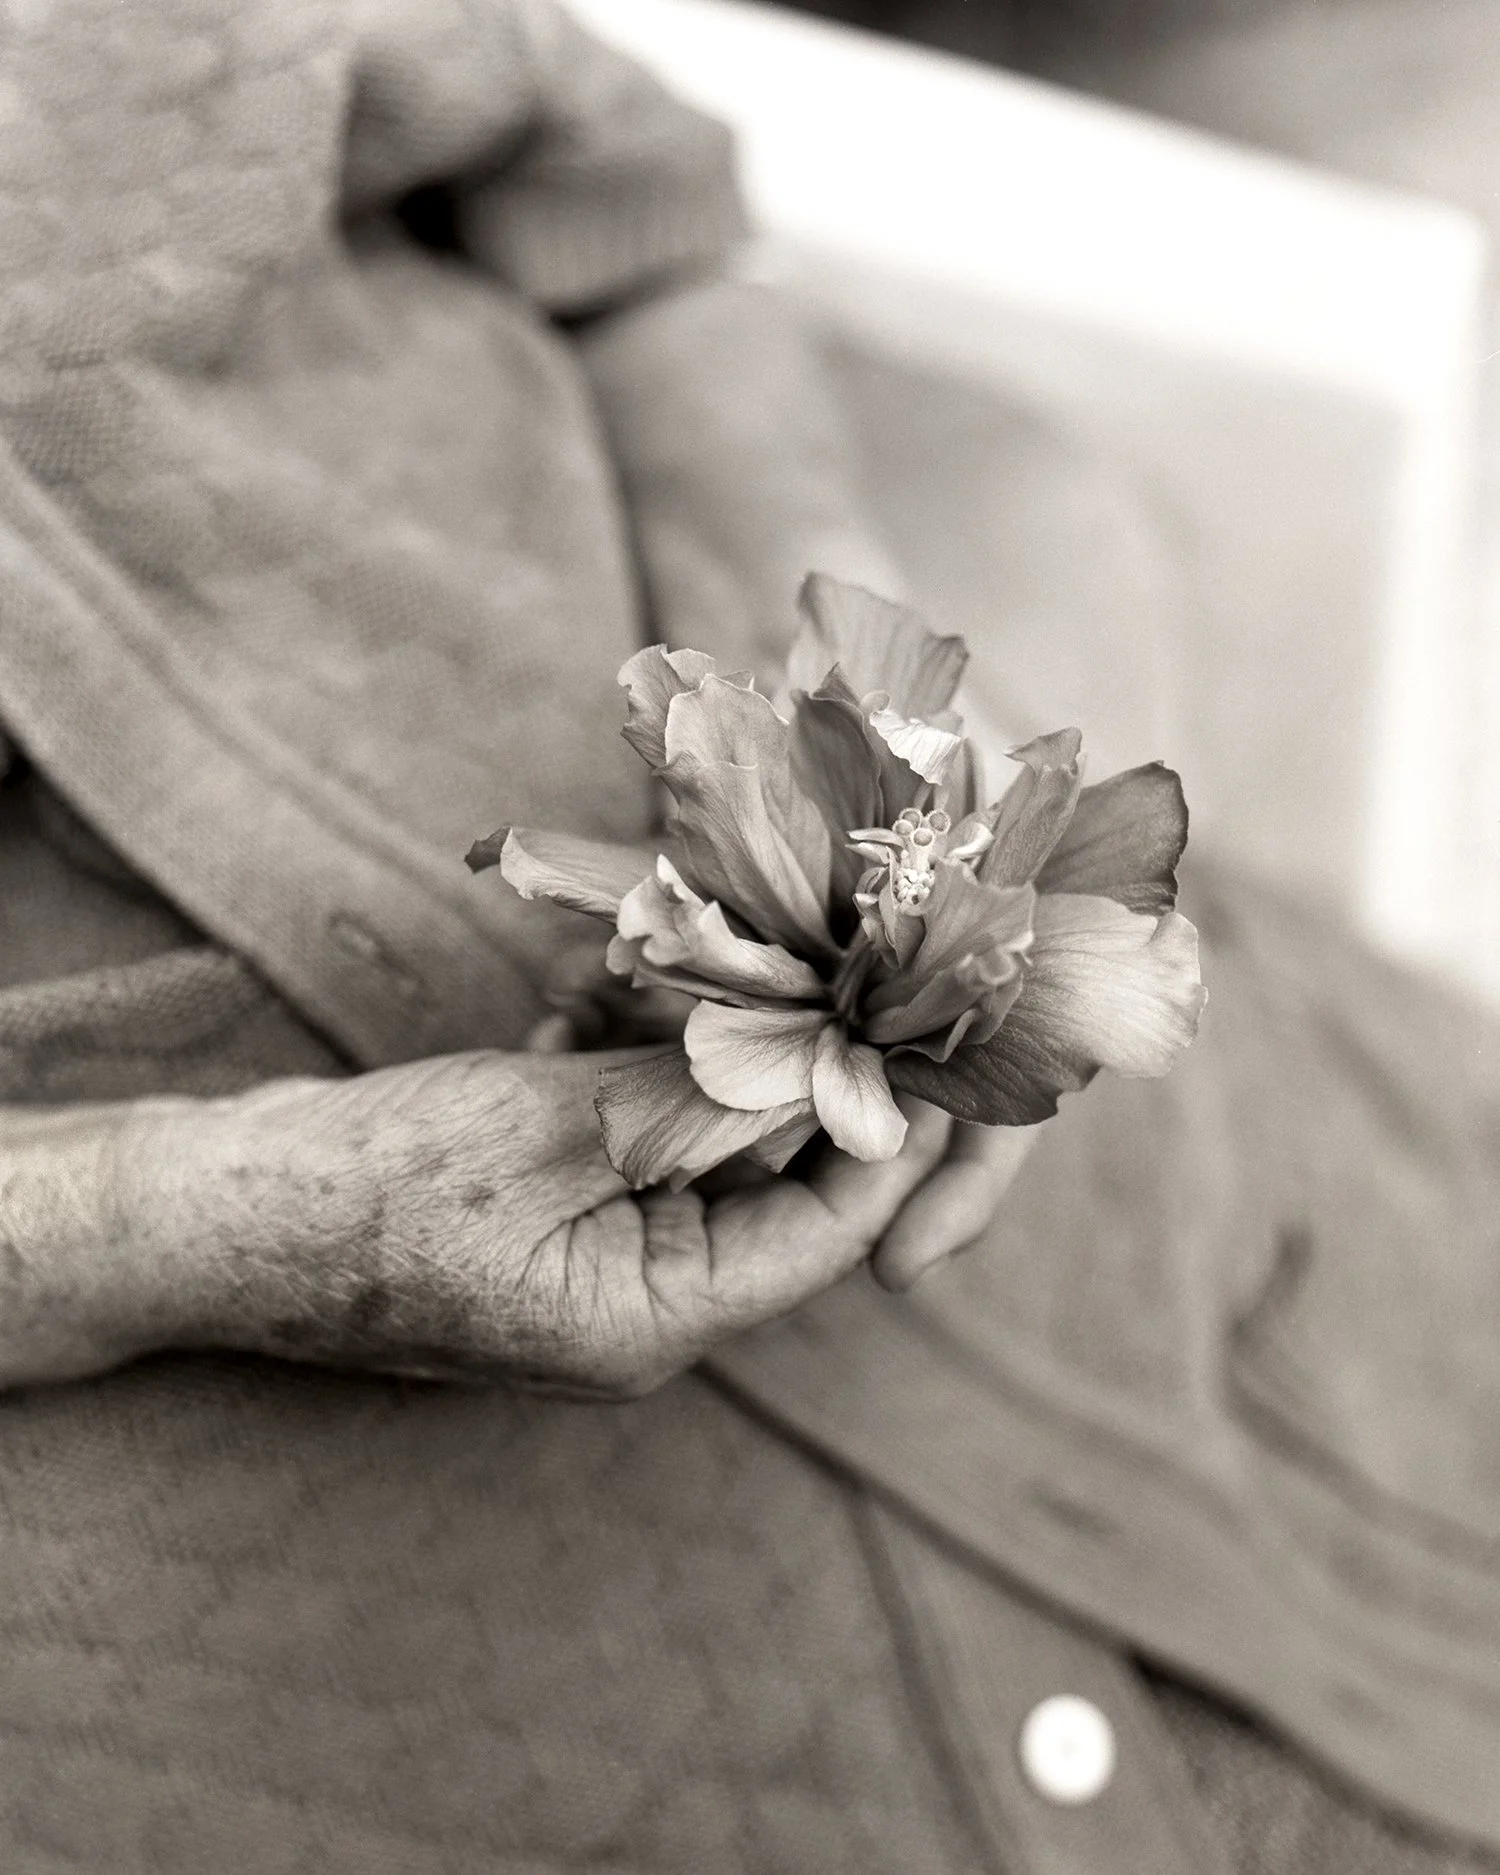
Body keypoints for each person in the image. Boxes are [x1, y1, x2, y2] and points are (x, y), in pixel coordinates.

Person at [2, 2, 1499, 1870]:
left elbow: (621, 198)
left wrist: (816, 657)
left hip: (1160, 1199)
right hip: (400, 1650)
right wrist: (171, 1216)